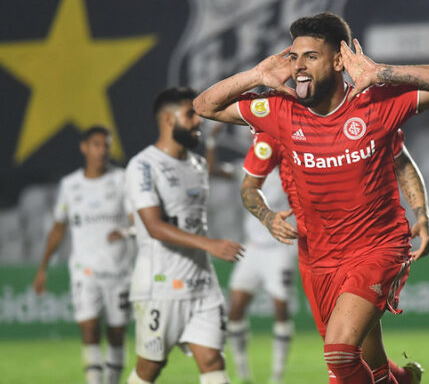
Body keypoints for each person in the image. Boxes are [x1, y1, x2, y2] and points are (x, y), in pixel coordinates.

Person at [194, 12, 429, 383]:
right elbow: (204, 107)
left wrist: (382, 72)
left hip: (377, 247)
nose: (299, 67)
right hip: (319, 258)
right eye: (294, 56)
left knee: (339, 354)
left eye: (310, 56)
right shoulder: (280, 113)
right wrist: (257, 76)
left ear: (339, 60)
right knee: (369, 365)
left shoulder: (376, 104)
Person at [241, 128, 429, 384]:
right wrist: (267, 216)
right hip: (317, 257)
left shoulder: (365, 110)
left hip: (368, 246)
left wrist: (422, 214)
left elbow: (401, 160)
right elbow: (249, 186)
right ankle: (404, 379)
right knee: (360, 355)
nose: (301, 85)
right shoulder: (278, 123)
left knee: (340, 355)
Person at [124, 87, 244, 384]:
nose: (197, 120)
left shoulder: (198, 164)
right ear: (167, 120)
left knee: (213, 360)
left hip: (202, 283)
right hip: (160, 285)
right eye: (190, 114)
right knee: (150, 367)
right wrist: (210, 244)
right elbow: (153, 226)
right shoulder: (143, 166)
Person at [33, 125, 133, 384]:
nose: (102, 151)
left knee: (116, 332)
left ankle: (110, 380)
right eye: (97, 144)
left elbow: (137, 220)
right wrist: (43, 267)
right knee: (89, 328)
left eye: (106, 145)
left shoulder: (122, 179)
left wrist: (125, 232)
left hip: (119, 270)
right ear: (84, 147)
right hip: (84, 271)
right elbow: (58, 227)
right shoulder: (70, 185)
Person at [205, 125, 297, 384]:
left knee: (280, 309)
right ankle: (243, 372)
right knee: (235, 309)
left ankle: (277, 375)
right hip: (253, 250)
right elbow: (213, 171)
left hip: (279, 249)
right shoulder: (246, 168)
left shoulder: (289, 168)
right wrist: (212, 142)